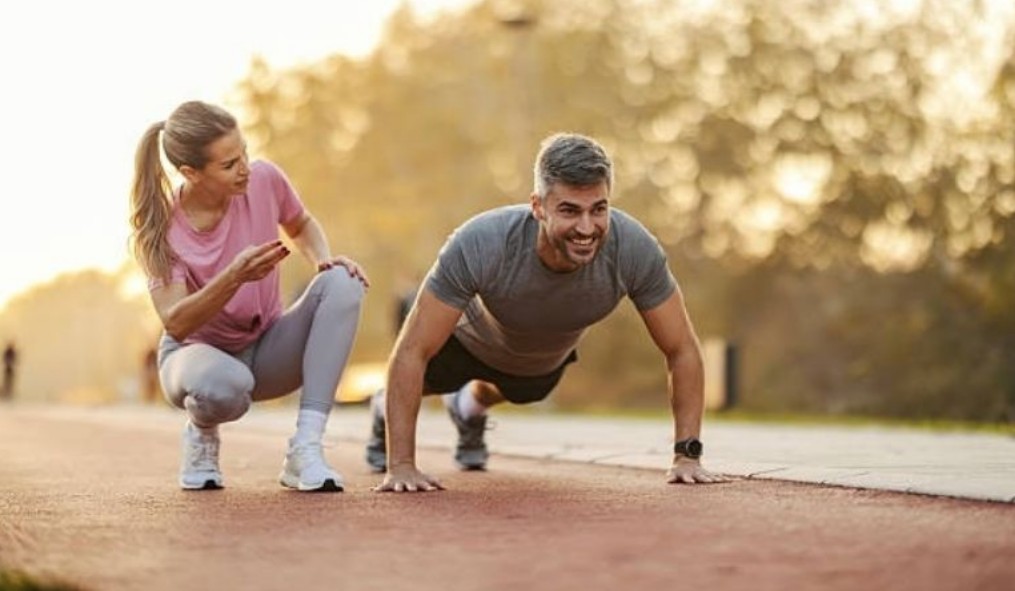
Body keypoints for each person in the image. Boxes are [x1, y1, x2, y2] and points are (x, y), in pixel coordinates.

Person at [369, 132, 729, 492]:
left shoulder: (634, 250)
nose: (587, 228)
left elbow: (681, 348)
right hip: (461, 344)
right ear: (538, 206)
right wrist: (401, 465)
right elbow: (411, 349)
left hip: (535, 364)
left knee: (526, 391)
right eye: (570, 210)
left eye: (598, 209)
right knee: (414, 384)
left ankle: (467, 407)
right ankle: (381, 410)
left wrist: (687, 456)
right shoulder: (482, 241)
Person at [129, 101, 368, 492]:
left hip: (267, 347)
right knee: (227, 386)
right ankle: (202, 432)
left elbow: (301, 223)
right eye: (228, 165)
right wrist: (234, 276)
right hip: (195, 359)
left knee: (343, 281)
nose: (244, 169)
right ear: (191, 173)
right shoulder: (161, 230)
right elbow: (176, 320)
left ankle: (305, 449)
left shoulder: (264, 179)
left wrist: (323, 261)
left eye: (244, 153)